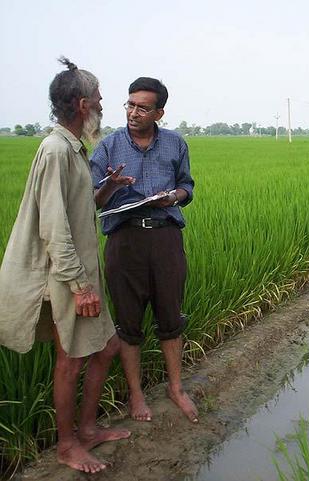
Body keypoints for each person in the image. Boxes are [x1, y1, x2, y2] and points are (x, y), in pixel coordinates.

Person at [0, 57, 131, 474]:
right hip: (64, 277)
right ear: (80, 105)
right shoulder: (55, 150)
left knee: (106, 346)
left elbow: (76, 212)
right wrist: (80, 286)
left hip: (78, 274)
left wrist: (107, 187)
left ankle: (88, 429)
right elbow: (54, 228)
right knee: (70, 359)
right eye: (98, 99)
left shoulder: (73, 150)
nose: (102, 106)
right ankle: (66, 445)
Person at [91, 77, 198, 424]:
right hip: (125, 242)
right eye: (130, 104)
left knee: (171, 316)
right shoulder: (108, 147)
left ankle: (176, 388)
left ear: (159, 112)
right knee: (128, 321)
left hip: (166, 238)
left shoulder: (175, 144)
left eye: (142, 107)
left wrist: (174, 197)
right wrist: (110, 185)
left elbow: (186, 185)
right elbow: (92, 200)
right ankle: (136, 394)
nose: (134, 112)